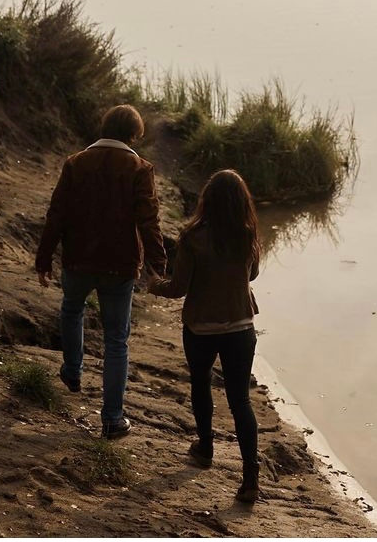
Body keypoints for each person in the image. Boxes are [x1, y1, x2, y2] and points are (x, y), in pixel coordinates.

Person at [35, 104, 167, 439]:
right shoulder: (140, 168)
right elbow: (148, 222)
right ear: (134, 134)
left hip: (78, 258)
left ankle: (72, 369)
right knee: (116, 341)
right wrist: (158, 267)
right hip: (119, 266)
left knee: (71, 310)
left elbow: (57, 213)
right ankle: (112, 419)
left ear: (104, 127)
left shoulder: (76, 163)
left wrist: (44, 256)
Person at [148, 168, 262, 503]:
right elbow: (252, 273)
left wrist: (155, 286)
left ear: (207, 201)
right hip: (241, 326)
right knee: (240, 399)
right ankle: (250, 478)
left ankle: (206, 449)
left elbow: (179, 288)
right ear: (242, 202)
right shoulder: (247, 234)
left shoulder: (193, 236)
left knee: (200, 383)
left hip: (201, 328)